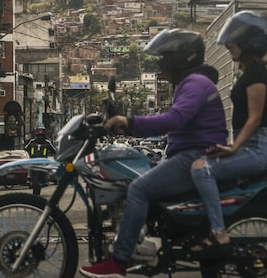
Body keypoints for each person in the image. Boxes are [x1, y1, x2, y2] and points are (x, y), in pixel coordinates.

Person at [80, 29, 227, 278]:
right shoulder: (191, 83)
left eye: (165, 57)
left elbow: (174, 119)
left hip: (194, 156)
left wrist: (129, 122)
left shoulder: (194, 84)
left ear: (181, 59)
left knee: (138, 189)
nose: (161, 63)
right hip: (189, 153)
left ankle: (120, 258)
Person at [188, 10, 267, 255]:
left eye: (233, 42)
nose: (229, 46)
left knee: (201, 169)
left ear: (248, 44)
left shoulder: (257, 74)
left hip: (260, 147)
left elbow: (255, 118)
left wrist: (234, 148)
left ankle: (218, 232)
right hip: (251, 144)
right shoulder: (247, 73)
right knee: (203, 162)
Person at [24, 126, 57, 195]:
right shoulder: (32, 141)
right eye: (39, 135)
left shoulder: (47, 142)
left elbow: (54, 151)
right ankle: (30, 179)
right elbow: (25, 149)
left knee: (47, 169)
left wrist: (55, 156)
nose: (40, 137)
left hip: (42, 161)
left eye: (41, 135)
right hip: (34, 161)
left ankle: (44, 178)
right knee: (29, 169)